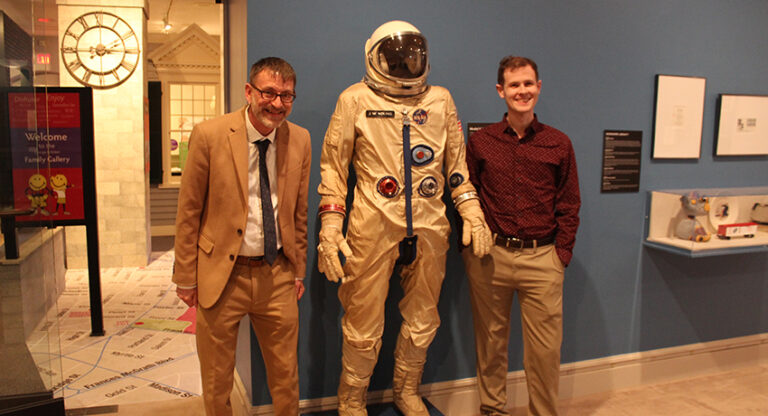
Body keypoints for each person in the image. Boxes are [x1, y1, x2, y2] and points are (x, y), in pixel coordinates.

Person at [316, 21, 492, 416]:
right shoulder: (354, 100)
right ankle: (351, 400)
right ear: (374, 57)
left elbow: (457, 167)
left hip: (430, 225)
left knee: (424, 316)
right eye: (394, 58)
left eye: (411, 57)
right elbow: (333, 168)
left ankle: (407, 390)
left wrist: (471, 211)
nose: (404, 64)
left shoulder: (440, 101)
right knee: (362, 321)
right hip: (372, 224)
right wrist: (330, 228)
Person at [172, 57, 311, 416]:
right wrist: (186, 276)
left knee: (286, 376)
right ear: (249, 91)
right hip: (222, 275)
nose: (277, 103)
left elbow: (299, 213)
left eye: (286, 96)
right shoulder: (209, 135)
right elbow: (189, 212)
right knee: (217, 379)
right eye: (269, 93)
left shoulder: (300, 139)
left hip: (277, 274)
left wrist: (298, 269)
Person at [463, 56, 581, 416]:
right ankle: (492, 409)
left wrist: (561, 255)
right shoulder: (481, 143)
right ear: (501, 91)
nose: (522, 91)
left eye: (528, 83)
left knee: (544, 352)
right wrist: (468, 248)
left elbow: (569, 202)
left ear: (539, 87)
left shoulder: (558, 143)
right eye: (514, 85)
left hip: (542, 259)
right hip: (490, 258)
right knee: (491, 344)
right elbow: (466, 194)